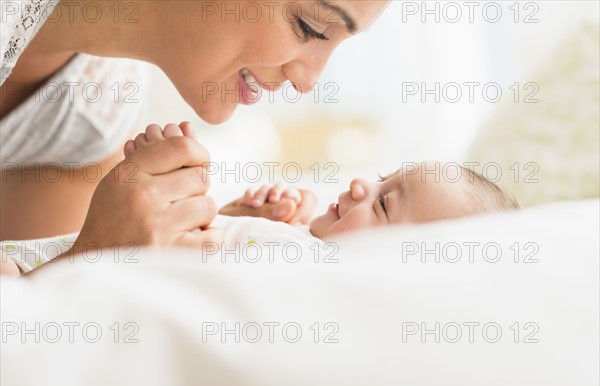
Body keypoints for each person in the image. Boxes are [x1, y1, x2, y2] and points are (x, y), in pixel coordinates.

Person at [0, 1, 391, 274]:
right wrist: (93, 259)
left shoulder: (101, 103)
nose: (308, 82)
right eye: (311, 26)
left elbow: (30, 299)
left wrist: (204, 239)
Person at [1, 124, 519, 275]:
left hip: (56, 284)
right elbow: (211, 248)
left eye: (385, 203)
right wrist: (231, 213)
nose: (362, 186)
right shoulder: (296, 241)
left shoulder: (317, 280)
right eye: (382, 179)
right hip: (52, 259)